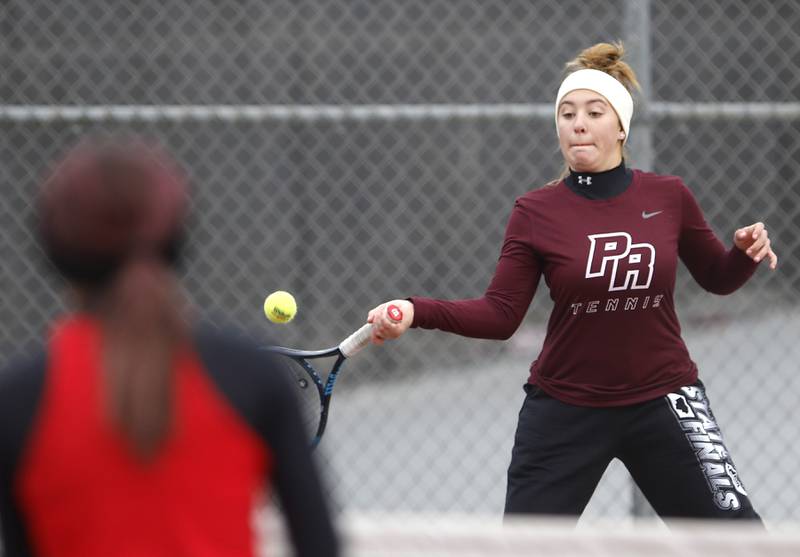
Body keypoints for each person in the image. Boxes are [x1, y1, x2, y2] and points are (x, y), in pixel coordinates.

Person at [367, 42, 777, 521]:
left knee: (738, 540)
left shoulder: (669, 196)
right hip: (565, 408)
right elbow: (501, 315)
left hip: (666, 398)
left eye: (594, 111)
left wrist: (744, 255)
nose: (577, 123)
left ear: (621, 126)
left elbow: (716, 277)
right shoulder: (536, 211)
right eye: (566, 113)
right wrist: (417, 311)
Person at [0, 139, 339, 556]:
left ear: (55, 253)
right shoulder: (250, 376)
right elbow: (320, 545)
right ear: (178, 239)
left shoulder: (17, 402)